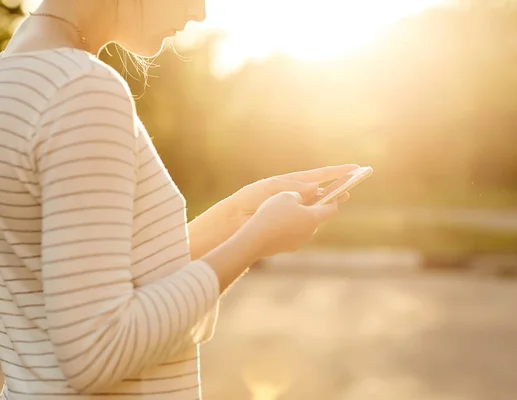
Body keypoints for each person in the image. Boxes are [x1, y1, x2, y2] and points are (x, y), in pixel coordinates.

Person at [0, 1, 357, 398]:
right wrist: (254, 242)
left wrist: (236, 215)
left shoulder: (16, 80)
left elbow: (69, 281)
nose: (200, 14)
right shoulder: (81, 91)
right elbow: (97, 352)